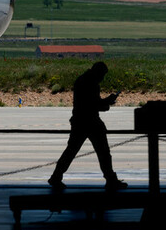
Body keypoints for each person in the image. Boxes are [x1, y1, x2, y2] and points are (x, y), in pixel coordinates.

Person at [48, 61, 128, 191]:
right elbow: (93, 105)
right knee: (103, 153)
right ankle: (111, 179)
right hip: (90, 122)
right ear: (99, 73)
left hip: (80, 121)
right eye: (102, 75)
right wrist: (107, 102)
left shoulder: (83, 80)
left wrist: (104, 103)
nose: (102, 78)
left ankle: (56, 176)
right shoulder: (91, 83)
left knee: (71, 151)